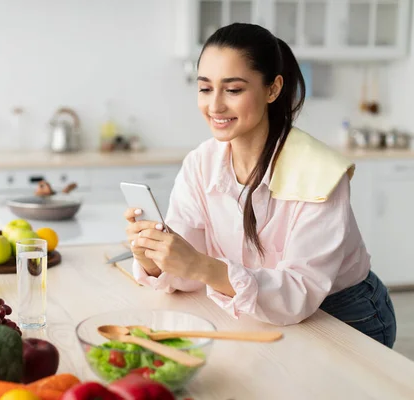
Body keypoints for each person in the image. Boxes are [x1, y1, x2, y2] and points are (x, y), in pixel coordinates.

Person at [124, 23, 396, 348]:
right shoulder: (201, 163)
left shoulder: (319, 173)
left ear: (272, 89)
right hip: (260, 308)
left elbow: (298, 292)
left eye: (233, 90)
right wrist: (155, 257)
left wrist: (200, 265)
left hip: (344, 315)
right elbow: (190, 269)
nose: (215, 106)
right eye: (205, 88)